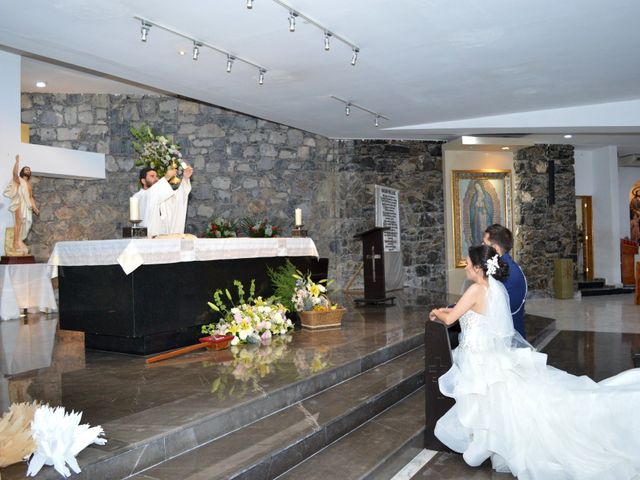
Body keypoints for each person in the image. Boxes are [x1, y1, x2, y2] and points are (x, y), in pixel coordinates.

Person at [430, 244, 640, 479]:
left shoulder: (476, 290)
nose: (466, 265)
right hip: (487, 354)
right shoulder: (495, 287)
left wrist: (435, 312)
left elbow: (450, 318)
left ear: (479, 268)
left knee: (489, 400)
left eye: (468, 262)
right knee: (493, 401)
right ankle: (484, 441)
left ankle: (485, 442)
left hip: (480, 358)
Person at [483, 224, 527, 338]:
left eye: (484, 244)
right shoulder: (507, 266)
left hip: (507, 338)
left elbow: (485, 305)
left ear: (496, 248)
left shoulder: (505, 273)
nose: (482, 246)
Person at [133, 164, 193, 238]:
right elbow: (150, 194)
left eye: (156, 176)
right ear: (143, 181)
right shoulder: (139, 197)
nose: (156, 179)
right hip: (147, 239)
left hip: (164, 238)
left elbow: (178, 198)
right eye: (152, 176)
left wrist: (185, 178)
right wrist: (166, 177)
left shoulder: (161, 194)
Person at [3, 154, 39, 255]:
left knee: (27, 223)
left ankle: (20, 240)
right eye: (26, 169)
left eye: (29, 170)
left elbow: (30, 197)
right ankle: (16, 243)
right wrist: (17, 162)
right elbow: (14, 174)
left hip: (27, 206)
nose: (28, 170)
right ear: (22, 171)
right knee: (19, 222)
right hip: (19, 203)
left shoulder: (29, 185)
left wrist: (35, 208)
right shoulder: (19, 180)